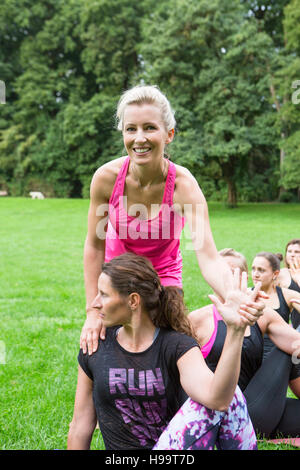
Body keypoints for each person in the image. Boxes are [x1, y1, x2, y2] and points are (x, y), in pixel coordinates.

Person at [81, 84, 235, 356]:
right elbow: (95, 247)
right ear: (123, 133)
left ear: (169, 134)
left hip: (164, 278)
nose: (139, 138)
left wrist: (233, 294)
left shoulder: (183, 187)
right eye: (131, 129)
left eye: (150, 128)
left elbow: (209, 257)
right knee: (106, 350)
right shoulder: (106, 179)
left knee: (171, 350)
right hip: (119, 277)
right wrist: (93, 312)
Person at [68, 253, 263, 450]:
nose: (94, 303)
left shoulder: (175, 345)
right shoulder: (96, 344)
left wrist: (236, 330)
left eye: (104, 294)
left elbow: (218, 400)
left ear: (133, 301)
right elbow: (80, 426)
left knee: (232, 394)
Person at [188, 248, 300, 439]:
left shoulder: (262, 314)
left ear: (244, 277)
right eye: (222, 271)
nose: (227, 278)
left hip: (258, 406)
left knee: (291, 349)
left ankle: (272, 435)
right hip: (222, 415)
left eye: (233, 272)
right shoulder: (198, 319)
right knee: (285, 352)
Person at [277, 239, 300, 329]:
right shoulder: (281, 274)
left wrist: (298, 279)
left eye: (297, 252)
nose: (292, 254)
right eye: (289, 251)